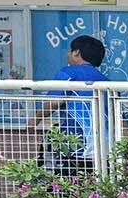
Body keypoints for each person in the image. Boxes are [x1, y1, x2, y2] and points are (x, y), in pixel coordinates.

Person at [36, 34, 108, 168]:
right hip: (105, 150)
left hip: (75, 148)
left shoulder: (68, 73)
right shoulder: (106, 81)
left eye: (70, 50)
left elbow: (54, 102)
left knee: (69, 180)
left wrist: (34, 120)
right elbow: (120, 119)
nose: (68, 54)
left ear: (76, 53)